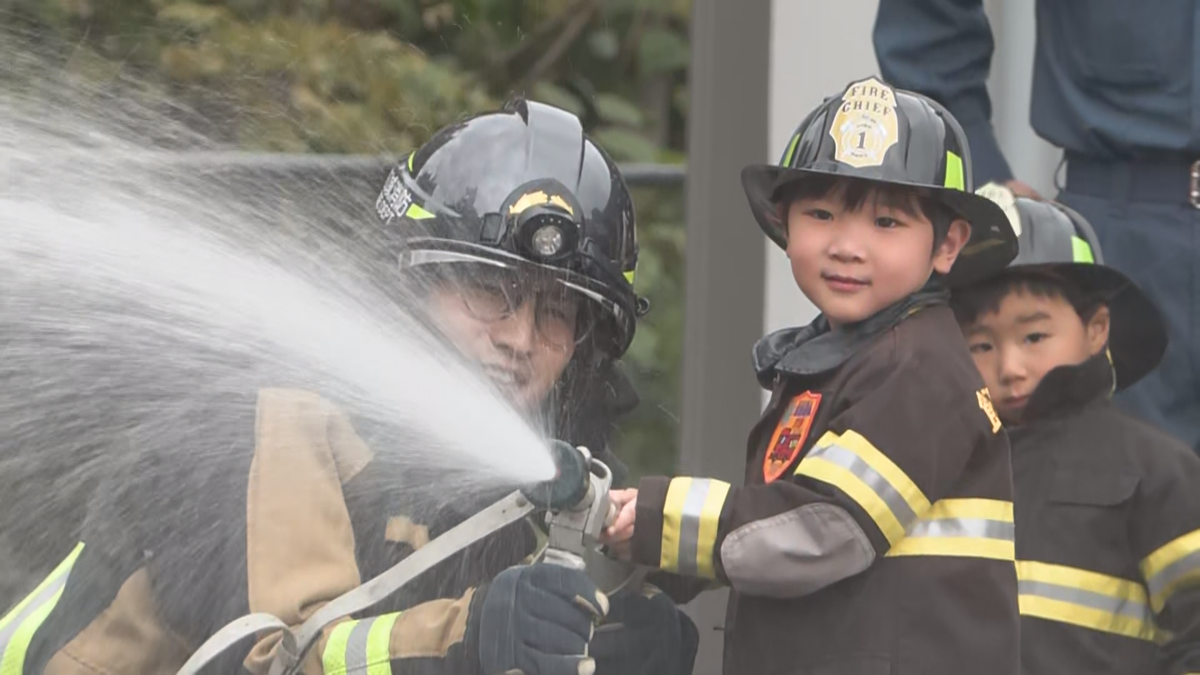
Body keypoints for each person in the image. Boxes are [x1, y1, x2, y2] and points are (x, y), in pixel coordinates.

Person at [0, 99, 698, 675]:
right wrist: (472, 636)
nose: (520, 337)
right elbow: (272, 655)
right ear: (413, 290)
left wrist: (605, 644)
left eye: (556, 312)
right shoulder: (276, 418)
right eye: (491, 290)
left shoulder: (544, 478)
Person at [601, 76, 1021, 675]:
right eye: (821, 214)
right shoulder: (851, 357)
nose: (847, 246)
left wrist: (654, 519)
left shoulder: (920, 368)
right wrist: (669, 560)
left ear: (948, 243)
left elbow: (821, 528)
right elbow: (778, 523)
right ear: (784, 219)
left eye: (887, 223)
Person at [873, 0, 1200, 453]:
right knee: (1102, 493)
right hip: (1122, 230)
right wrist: (986, 187)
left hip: (1125, 217)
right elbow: (925, 20)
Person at [952, 184, 1200, 674]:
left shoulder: (1155, 470)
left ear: (1096, 329)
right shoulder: (938, 462)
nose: (1011, 367)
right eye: (981, 345)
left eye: (1035, 336)